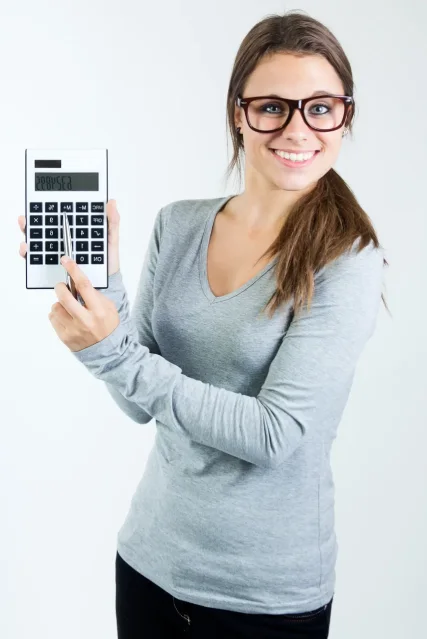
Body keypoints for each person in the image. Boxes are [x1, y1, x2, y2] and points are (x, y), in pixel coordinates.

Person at [18, 10, 389, 639]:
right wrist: (102, 289)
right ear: (237, 113)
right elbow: (141, 399)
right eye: (273, 106)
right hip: (149, 564)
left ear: (344, 116)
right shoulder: (179, 224)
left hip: (263, 598)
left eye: (321, 107)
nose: (299, 129)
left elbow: (276, 434)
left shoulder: (347, 259)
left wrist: (111, 352)